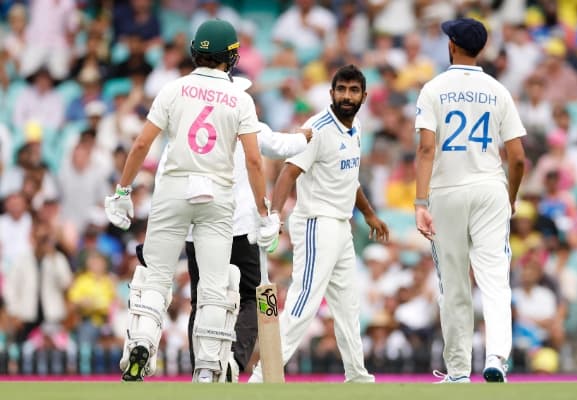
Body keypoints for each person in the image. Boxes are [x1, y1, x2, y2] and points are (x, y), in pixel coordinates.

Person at [104, 19, 280, 383]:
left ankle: (141, 341)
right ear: (230, 57)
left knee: (155, 278)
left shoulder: (173, 89)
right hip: (217, 195)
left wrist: (122, 192)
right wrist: (266, 212)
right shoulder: (241, 98)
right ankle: (208, 368)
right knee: (215, 287)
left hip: (173, 191)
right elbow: (252, 160)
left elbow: (140, 144)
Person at [135, 76, 312, 382]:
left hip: (197, 227)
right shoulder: (245, 120)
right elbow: (282, 145)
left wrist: (157, 230)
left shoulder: (185, 131)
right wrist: (308, 134)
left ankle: (201, 370)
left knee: (201, 300)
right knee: (248, 300)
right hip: (239, 227)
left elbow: (166, 177)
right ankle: (232, 360)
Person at [249, 64, 389, 383]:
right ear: (331, 93)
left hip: (341, 226)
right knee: (303, 301)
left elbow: (348, 180)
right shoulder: (319, 127)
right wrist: (275, 215)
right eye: (341, 89)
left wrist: (368, 214)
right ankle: (263, 374)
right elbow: (289, 172)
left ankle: (357, 374)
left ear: (364, 96)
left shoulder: (356, 129)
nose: (347, 96)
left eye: (354, 90)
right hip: (316, 224)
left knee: (347, 305)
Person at [413, 18, 527, 383]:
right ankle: (495, 358)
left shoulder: (433, 88)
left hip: (446, 192)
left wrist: (420, 202)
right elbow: (519, 157)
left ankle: (459, 371)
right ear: (481, 49)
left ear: (451, 46)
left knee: (454, 283)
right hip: (490, 188)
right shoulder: (498, 90)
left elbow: (427, 148)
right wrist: (510, 197)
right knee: (495, 279)